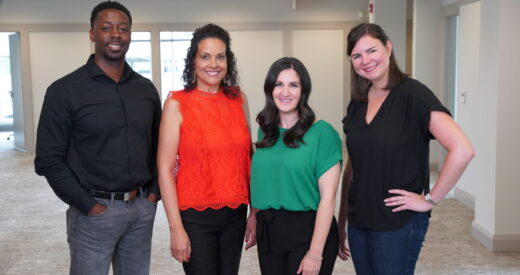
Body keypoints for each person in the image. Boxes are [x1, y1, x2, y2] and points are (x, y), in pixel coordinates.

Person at [34, 1, 161, 275]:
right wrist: (89, 207)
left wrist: (153, 195)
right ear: (92, 34)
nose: (115, 34)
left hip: (141, 209)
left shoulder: (145, 89)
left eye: (123, 28)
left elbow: (158, 147)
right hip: (93, 212)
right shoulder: (64, 91)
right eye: (106, 28)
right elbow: (47, 159)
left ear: (130, 35)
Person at [337, 23, 475, 274]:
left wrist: (430, 200)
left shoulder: (414, 95)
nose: (365, 60)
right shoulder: (358, 102)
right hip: (359, 221)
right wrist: (342, 218)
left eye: (371, 51)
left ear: (388, 48)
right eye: (356, 55)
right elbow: (354, 163)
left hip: (398, 222)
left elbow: (463, 150)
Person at [157, 24, 256, 275]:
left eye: (220, 56)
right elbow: (165, 170)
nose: (213, 64)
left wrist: (254, 212)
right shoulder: (176, 104)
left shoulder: (239, 98)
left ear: (228, 61)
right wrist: (175, 228)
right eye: (205, 56)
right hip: (194, 216)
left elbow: (249, 159)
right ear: (193, 60)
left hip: (235, 212)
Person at [250, 57, 342, 275]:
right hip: (270, 231)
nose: (285, 92)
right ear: (270, 89)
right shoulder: (265, 131)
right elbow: (265, 179)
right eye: (279, 84)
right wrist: (253, 215)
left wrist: (315, 253)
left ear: (304, 90)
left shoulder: (323, 133)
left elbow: (328, 199)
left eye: (293, 85)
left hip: (308, 231)